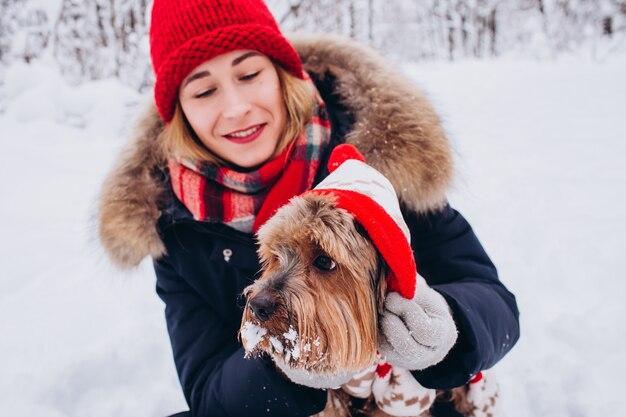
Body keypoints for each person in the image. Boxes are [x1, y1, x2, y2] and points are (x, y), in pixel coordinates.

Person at [97, 0, 520, 416]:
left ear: (284, 74)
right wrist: (283, 370)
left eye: (249, 74)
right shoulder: (174, 225)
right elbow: (208, 394)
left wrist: (450, 326)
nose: (236, 107)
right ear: (179, 114)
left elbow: (496, 306)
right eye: (204, 90)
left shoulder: (382, 165)